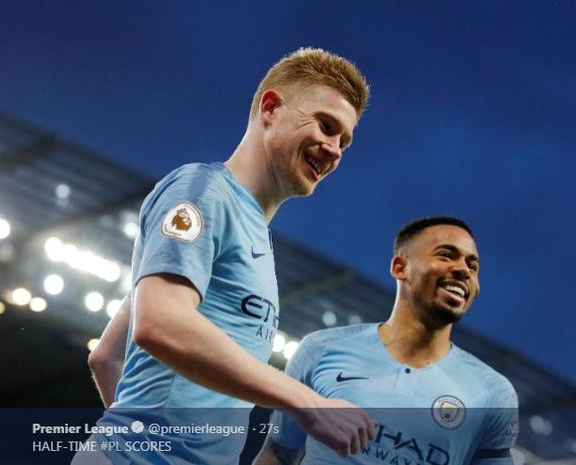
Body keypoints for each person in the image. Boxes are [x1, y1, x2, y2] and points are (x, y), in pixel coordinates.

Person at [73, 48, 376, 465]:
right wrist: (306, 402)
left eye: (344, 140)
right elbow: (159, 323)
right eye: (326, 126)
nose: (335, 149)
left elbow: (107, 356)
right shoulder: (202, 192)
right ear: (270, 108)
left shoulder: (253, 233)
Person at [253, 217, 520, 465]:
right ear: (400, 267)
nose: (463, 270)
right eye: (446, 255)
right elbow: (277, 453)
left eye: (472, 266)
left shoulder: (493, 395)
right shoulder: (321, 350)